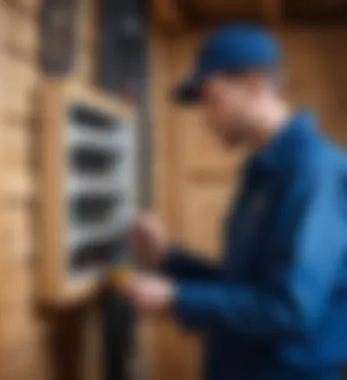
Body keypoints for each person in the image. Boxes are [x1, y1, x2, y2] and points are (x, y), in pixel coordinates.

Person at [118, 25, 347, 380]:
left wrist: (175, 300)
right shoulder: (261, 170)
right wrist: (167, 257)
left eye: (212, 99)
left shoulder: (314, 171)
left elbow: (289, 310)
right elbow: (240, 287)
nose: (206, 119)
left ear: (254, 84)